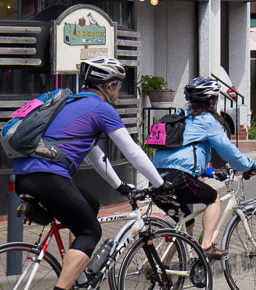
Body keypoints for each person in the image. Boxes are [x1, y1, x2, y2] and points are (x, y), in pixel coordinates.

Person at [13, 57, 167, 290]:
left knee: (90, 205)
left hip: (24, 176)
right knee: (90, 230)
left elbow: (95, 155)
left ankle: (78, 277)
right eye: (118, 86)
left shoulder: (69, 103)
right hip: (50, 175)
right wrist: (160, 183)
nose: (117, 92)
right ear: (108, 87)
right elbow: (133, 152)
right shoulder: (101, 108)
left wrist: (118, 185)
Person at [152, 76, 256, 259]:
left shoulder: (182, 117)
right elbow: (228, 151)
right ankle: (207, 247)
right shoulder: (207, 120)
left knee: (186, 224)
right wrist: (248, 166)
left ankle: (162, 264)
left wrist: (203, 170)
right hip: (179, 178)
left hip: (155, 178)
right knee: (213, 198)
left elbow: (182, 152)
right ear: (212, 100)